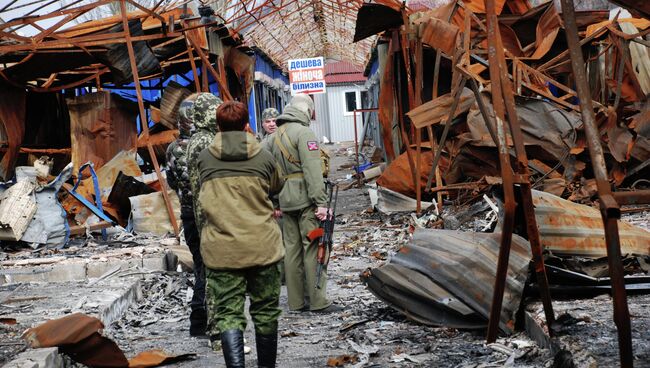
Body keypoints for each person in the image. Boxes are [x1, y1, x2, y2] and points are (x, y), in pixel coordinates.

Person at [197, 101, 284, 368]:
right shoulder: (265, 157)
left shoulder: (204, 158)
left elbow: (198, 197)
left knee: (228, 313)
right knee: (266, 311)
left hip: (222, 250)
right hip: (263, 247)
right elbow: (276, 186)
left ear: (218, 126)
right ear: (247, 125)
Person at [264, 94, 340, 313]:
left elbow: (267, 173)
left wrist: (274, 201)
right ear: (306, 110)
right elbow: (312, 171)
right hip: (307, 201)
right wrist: (321, 202)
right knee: (314, 247)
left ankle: (296, 303)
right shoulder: (305, 133)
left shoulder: (271, 138)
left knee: (291, 251)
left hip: (285, 202)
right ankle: (318, 301)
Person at [165, 93, 208, 336]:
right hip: (206, 214)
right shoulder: (203, 145)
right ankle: (202, 320)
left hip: (187, 213)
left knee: (200, 264)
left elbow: (172, 181)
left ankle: (198, 321)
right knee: (210, 267)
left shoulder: (172, 149)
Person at [186, 92, 222, 344]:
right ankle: (215, 328)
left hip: (202, 212)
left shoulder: (199, 139)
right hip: (208, 214)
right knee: (213, 273)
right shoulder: (205, 141)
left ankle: (211, 324)